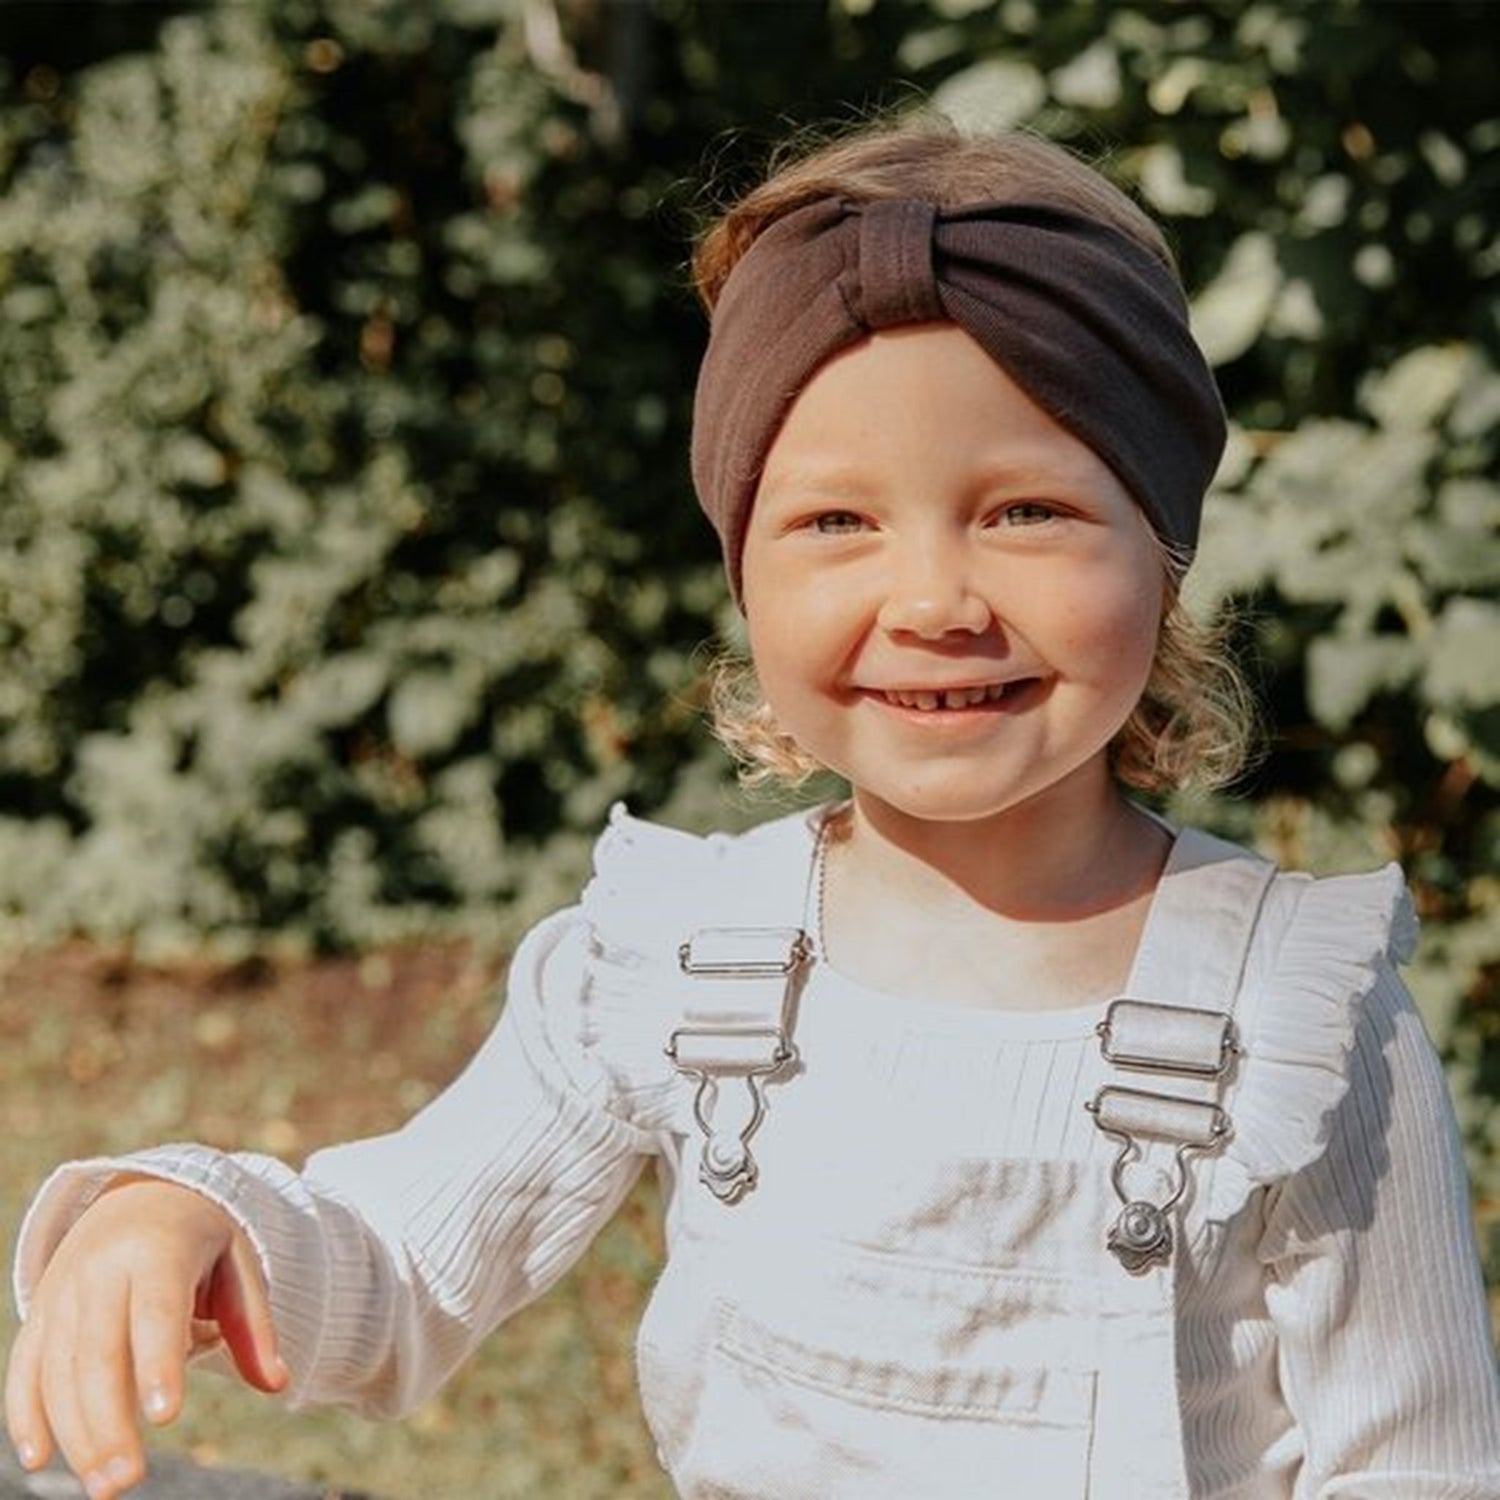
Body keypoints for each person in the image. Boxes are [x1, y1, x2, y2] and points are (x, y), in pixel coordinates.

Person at [7, 113, 1499, 1500]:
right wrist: (189, 1216)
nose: (933, 601)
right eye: (836, 521)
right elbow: (402, 1253)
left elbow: (1419, 1465)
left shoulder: (1292, 1017)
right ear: (744, 579)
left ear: (1160, 556)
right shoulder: (683, 957)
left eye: (1026, 510)